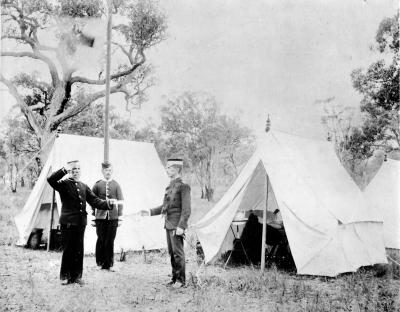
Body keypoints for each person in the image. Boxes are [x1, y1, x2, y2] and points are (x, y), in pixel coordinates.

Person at [47, 160, 114, 285]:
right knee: (68, 250)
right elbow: (50, 180)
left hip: (80, 223)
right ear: (69, 171)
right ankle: (66, 276)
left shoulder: (83, 186)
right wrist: (63, 170)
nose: (76, 171)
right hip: (68, 223)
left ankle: (77, 276)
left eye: (78, 169)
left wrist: (107, 204)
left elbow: (94, 200)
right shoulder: (64, 184)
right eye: (73, 169)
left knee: (79, 249)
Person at [149, 158, 191, 289]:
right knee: (172, 253)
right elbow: (165, 206)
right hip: (168, 223)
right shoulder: (170, 185)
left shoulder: (184, 186)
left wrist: (181, 226)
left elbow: (186, 209)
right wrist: (150, 211)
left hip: (176, 225)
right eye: (167, 167)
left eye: (169, 168)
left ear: (177, 169)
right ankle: (174, 278)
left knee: (178, 253)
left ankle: (181, 280)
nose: (167, 170)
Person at [92, 161, 123, 271]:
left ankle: (108, 264)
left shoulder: (116, 185)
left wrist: (120, 217)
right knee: (101, 239)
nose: (108, 172)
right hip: (100, 217)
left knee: (110, 240)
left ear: (112, 171)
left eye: (110, 170)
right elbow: (92, 202)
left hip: (113, 218)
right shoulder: (97, 185)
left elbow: (120, 202)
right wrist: (93, 217)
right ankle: (100, 263)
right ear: (102, 171)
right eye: (106, 170)